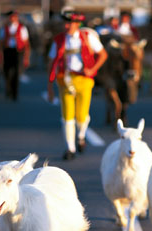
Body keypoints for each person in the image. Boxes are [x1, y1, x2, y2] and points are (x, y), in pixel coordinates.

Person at [47, 10, 108, 161]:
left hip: (84, 79)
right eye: (64, 23)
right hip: (65, 79)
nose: (66, 26)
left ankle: (81, 136)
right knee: (67, 116)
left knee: (81, 116)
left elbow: (103, 55)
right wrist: (49, 86)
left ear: (76, 24)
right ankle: (70, 148)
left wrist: (93, 69)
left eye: (69, 23)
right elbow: (51, 61)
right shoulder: (59, 40)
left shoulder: (88, 38)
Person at [0, 10, 30, 101]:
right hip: (7, 51)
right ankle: (8, 88)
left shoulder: (22, 28)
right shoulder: (4, 28)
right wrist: (0, 55)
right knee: (7, 71)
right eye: (12, 17)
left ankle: (15, 92)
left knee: (16, 72)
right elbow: (0, 43)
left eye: (15, 17)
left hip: (18, 51)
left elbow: (26, 44)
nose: (13, 18)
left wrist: (26, 57)